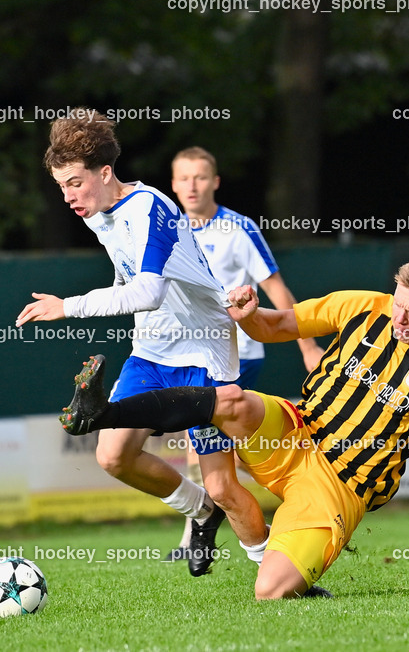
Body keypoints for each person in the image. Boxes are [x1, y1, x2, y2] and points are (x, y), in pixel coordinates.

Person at [59, 256, 409, 599]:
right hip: (294, 430)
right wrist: (250, 315)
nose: (400, 319)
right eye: (399, 305)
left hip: (338, 486)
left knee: (271, 591)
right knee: (232, 402)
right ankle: (105, 415)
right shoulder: (366, 306)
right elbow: (280, 324)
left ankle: (291, 564)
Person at [16, 108, 239, 578]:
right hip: (154, 348)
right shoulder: (99, 212)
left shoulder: (148, 206)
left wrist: (68, 306)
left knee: (228, 485)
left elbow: (149, 290)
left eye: (75, 183)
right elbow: (130, 276)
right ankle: (201, 512)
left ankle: (280, 568)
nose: (68, 196)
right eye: (61, 186)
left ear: (104, 172)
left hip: (203, 348)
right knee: (112, 456)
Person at [166, 147, 324, 561]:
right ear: (173, 184)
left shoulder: (237, 228)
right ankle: (218, 528)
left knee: (219, 443)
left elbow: (276, 288)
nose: (193, 185)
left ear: (215, 181)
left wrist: (307, 345)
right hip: (189, 355)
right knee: (211, 444)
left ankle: (308, 502)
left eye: (201, 177)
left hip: (239, 354)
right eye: (185, 178)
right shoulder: (168, 229)